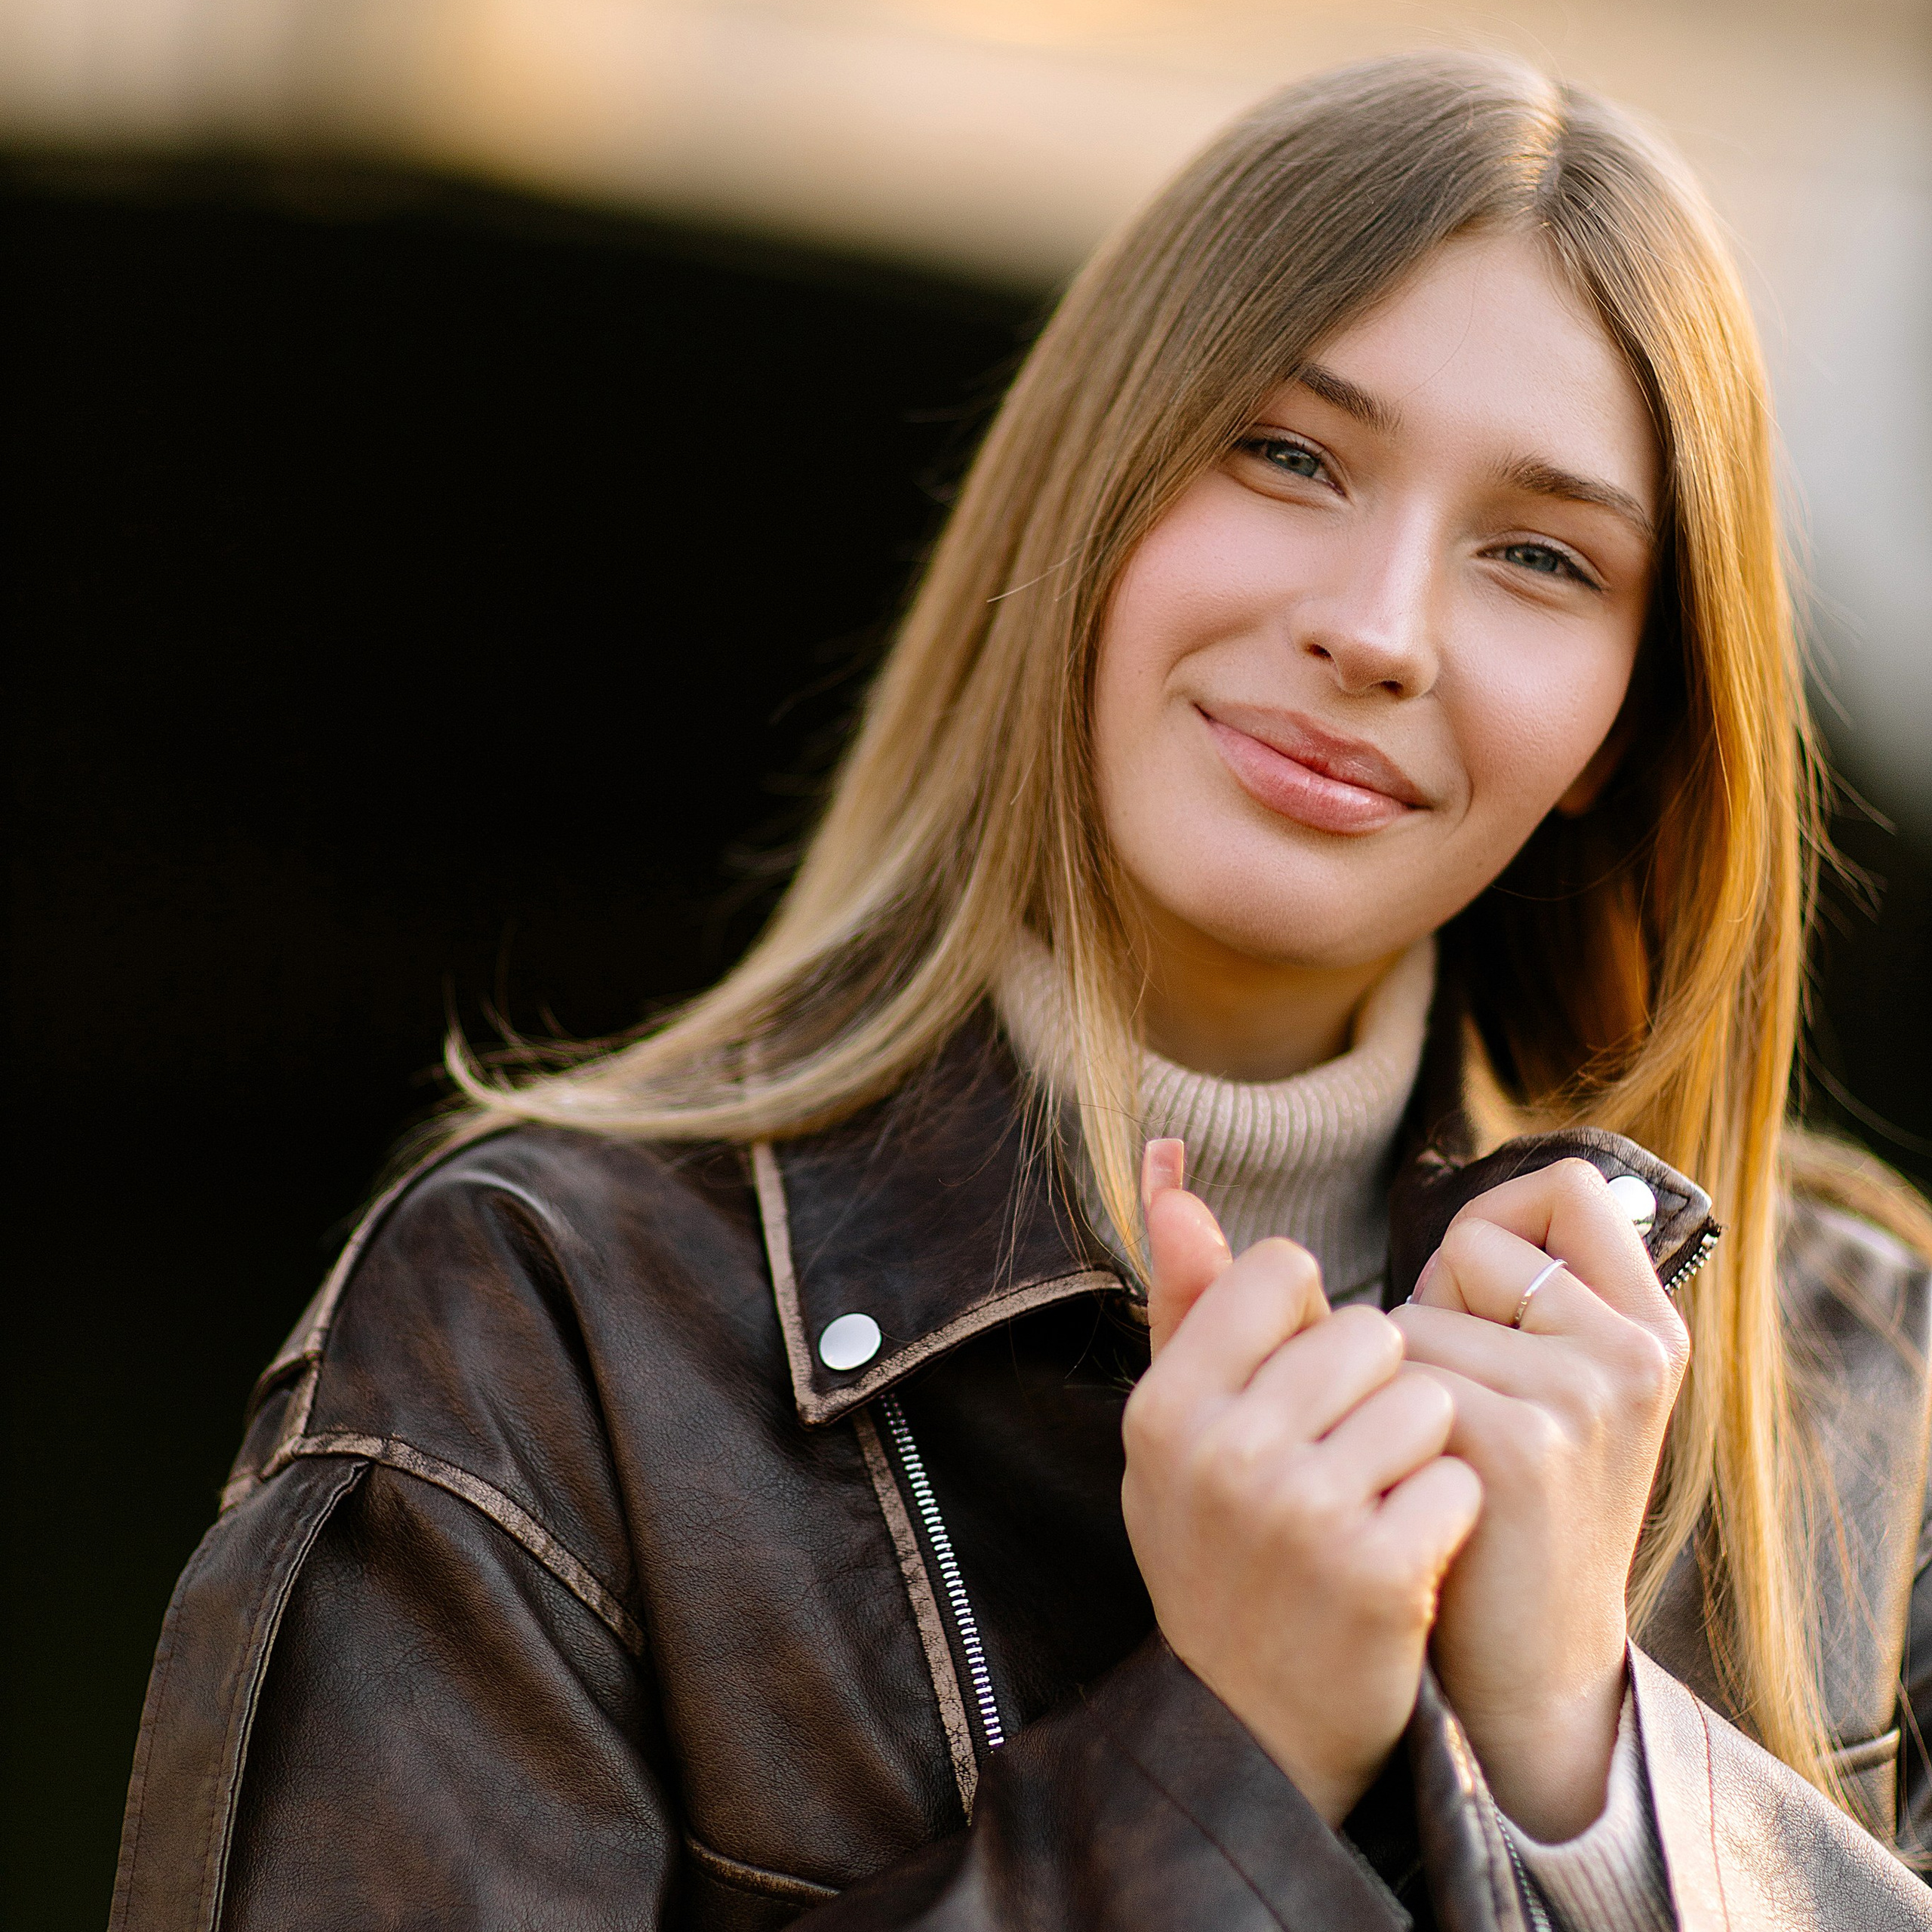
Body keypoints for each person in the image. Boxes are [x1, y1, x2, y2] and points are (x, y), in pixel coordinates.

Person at [111, 49, 1932, 1932]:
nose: (1376, 629)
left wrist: (1579, 1774)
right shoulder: (541, 1332)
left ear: (1620, 733)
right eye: (1288, 453)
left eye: (1539, 556)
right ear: (1088, 489)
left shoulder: (1864, 1384)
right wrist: (1216, 1766)